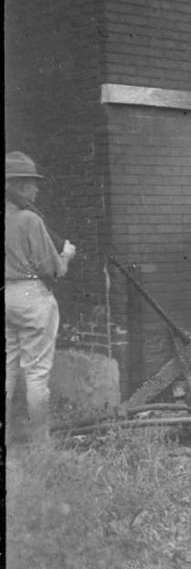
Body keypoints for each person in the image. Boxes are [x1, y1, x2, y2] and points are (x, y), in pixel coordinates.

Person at [5, 151, 76, 446]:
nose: (37, 189)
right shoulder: (30, 220)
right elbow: (53, 269)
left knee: (7, 369)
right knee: (36, 372)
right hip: (31, 295)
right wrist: (66, 255)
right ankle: (40, 443)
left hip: (5, 293)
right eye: (32, 184)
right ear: (19, 186)